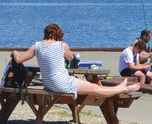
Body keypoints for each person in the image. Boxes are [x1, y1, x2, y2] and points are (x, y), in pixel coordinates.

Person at [10, 23, 141, 99]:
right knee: (95, 89)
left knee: (94, 88)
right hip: (62, 83)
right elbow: (71, 58)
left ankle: (120, 87)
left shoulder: (37, 46)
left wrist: (15, 52)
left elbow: (19, 58)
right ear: (58, 35)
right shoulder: (62, 45)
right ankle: (124, 90)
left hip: (49, 84)